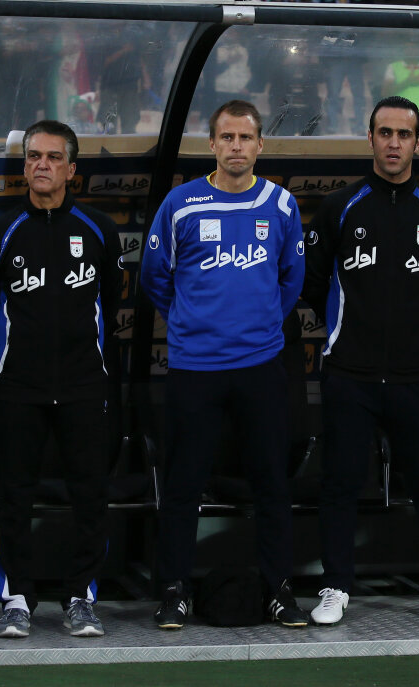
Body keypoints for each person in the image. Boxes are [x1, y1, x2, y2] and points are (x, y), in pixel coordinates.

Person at [301, 96, 419, 627]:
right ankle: (336, 587)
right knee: (341, 484)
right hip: (350, 373)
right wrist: (347, 332)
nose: (393, 143)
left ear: (417, 142)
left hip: (415, 375)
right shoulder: (339, 208)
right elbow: (313, 285)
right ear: (369, 139)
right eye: (384, 133)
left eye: (403, 134)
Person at [140, 100, 307, 630]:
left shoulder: (280, 205)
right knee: (183, 485)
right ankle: (174, 590)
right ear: (211, 143)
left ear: (260, 145)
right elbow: (155, 278)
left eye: (246, 137)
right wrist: (192, 322)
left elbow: (291, 280)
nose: (236, 146)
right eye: (227, 137)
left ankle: (279, 589)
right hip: (195, 369)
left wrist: (259, 325)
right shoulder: (181, 204)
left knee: (271, 484)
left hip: (260, 367)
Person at [0, 120, 122, 639]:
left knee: (90, 497)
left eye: (54, 157)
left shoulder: (99, 229)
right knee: (15, 497)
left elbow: (112, 305)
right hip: (19, 386)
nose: (42, 165)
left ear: (71, 169)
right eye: (34, 156)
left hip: (84, 385)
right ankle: (17, 599)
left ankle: (80, 597)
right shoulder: (0, 232)